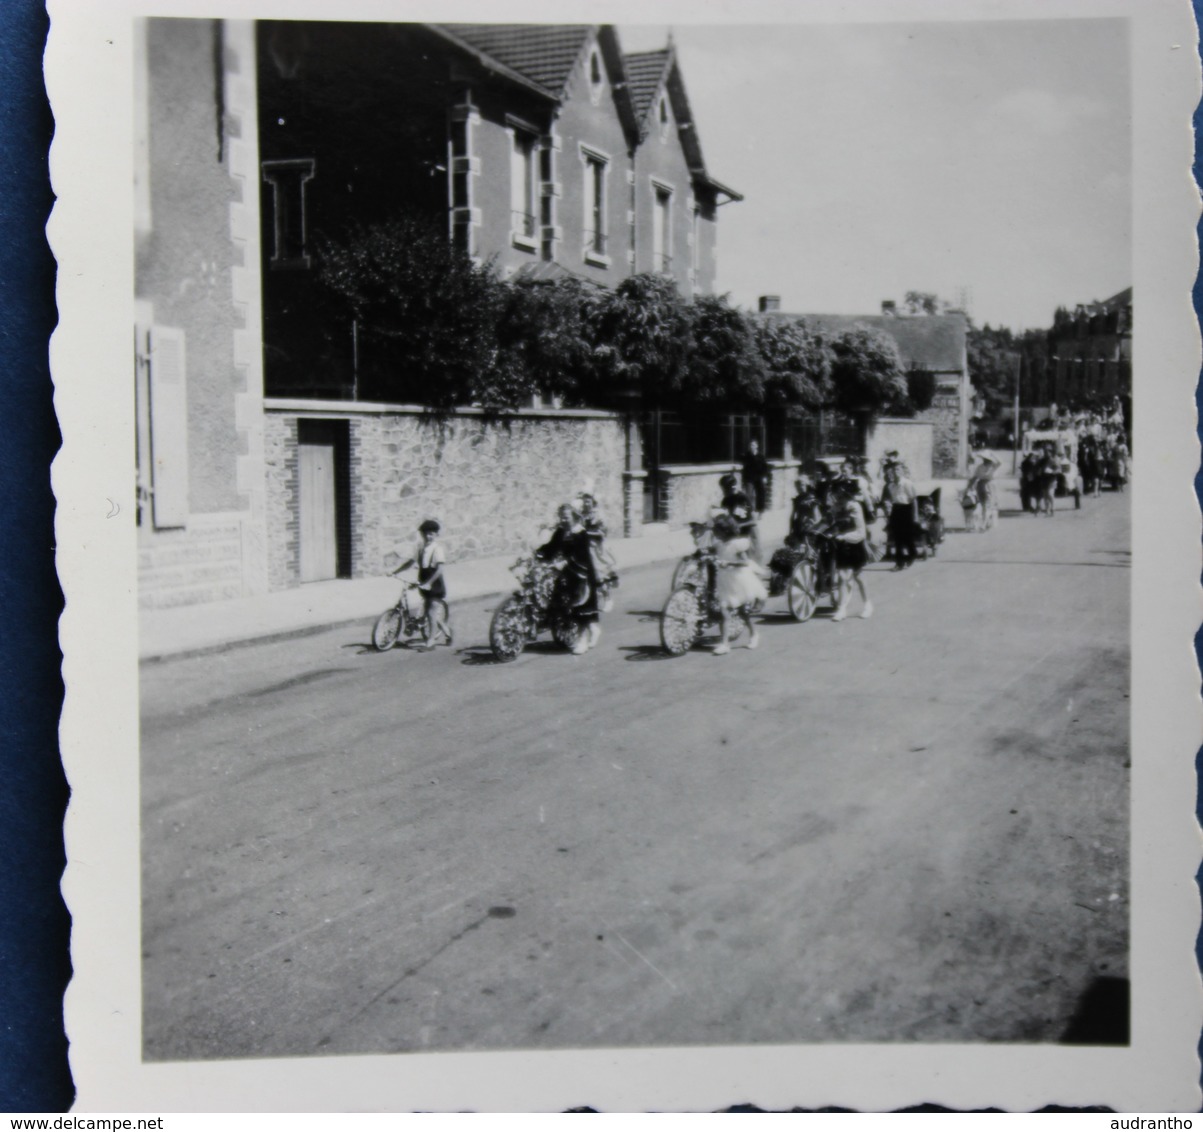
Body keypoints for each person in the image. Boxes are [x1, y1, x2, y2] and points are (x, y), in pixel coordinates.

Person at [536, 504, 602, 654]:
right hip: (567, 573)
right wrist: (538, 553)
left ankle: (583, 641)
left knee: (581, 607)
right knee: (561, 601)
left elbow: (580, 555)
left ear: (573, 517)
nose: (563, 520)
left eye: (566, 517)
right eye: (561, 517)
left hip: (582, 574)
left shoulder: (581, 533)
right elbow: (552, 548)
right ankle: (589, 629)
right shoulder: (561, 532)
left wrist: (565, 562)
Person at [710, 513, 766, 656]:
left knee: (743, 612)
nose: (715, 533)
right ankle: (724, 644)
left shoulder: (736, 545)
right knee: (723, 611)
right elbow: (713, 553)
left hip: (738, 581)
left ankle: (754, 634)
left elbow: (745, 562)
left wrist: (728, 563)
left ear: (725, 531)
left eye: (717, 530)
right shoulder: (719, 544)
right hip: (724, 580)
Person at [390, 519, 452, 648]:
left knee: (430, 612)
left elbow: (439, 570)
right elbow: (411, 563)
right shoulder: (420, 548)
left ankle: (431, 641)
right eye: (425, 534)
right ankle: (447, 632)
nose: (428, 536)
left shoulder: (437, 549)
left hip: (435, 584)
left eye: (431, 534)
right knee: (431, 612)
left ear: (436, 535)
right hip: (423, 582)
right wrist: (396, 571)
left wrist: (429, 583)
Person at [829, 479, 872, 621]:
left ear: (846, 495)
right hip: (841, 545)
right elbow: (830, 522)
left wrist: (844, 536)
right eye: (836, 495)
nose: (837, 498)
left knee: (858, 576)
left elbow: (861, 532)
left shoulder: (855, 507)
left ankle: (867, 605)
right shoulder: (835, 507)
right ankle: (842, 609)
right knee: (842, 576)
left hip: (855, 545)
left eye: (840, 495)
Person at [579, 492, 619, 612]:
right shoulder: (581, 514)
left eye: (588, 501)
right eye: (584, 501)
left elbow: (602, 533)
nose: (586, 503)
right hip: (583, 546)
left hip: (596, 548)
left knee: (599, 575)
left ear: (593, 501)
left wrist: (588, 533)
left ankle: (608, 599)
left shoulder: (598, 515)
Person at [881, 460, 918, 570]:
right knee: (897, 538)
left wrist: (915, 516)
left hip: (906, 510)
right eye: (893, 470)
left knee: (906, 536)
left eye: (897, 469)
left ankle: (912, 553)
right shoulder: (890, 486)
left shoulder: (907, 483)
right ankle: (899, 562)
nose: (895, 472)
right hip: (896, 510)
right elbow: (891, 500)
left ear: (902, 471)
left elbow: (913, 500)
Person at [741, 439, 770, 516]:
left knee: (761, 492)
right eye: (750, 445)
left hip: (759, 477)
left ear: (757, 446)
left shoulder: (761, 456)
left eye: (753, 445)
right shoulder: (747, 456)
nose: (752, 447)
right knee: (748, 495)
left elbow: (765, 467)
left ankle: (760, 510)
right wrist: (743, 480)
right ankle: (750, 511)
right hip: (749, 478)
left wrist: (764, 477)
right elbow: (744, 468)